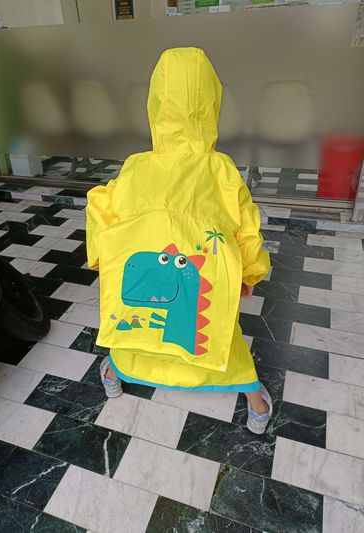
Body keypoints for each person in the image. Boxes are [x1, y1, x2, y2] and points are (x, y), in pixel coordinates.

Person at [86, 47, 272, 434]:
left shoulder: (136, 167)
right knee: (224, 334)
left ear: (155, 103)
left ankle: (114, 374)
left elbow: (101, 208)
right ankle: (255, 403)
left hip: (146, 279)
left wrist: (103, 259)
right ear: (212, 104)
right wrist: (250, 273)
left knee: (134, 334)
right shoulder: (222, 170)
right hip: (207, 278)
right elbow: (246, 227)